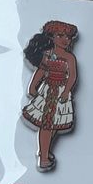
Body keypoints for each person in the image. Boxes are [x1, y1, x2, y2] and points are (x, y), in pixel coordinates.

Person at [22, 21, 78, 172]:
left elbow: (72, 76)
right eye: (60, 36)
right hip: (48, 92)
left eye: (68, 37)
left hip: (60, 93)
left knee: (53, 125)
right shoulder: (48, 54)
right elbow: (41, 70)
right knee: (47, 125)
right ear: (51, 37)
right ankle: (44, 158)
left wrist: (66, 92)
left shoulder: (69, 57)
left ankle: (44, 151)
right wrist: (33, 86)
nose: (65, 40)